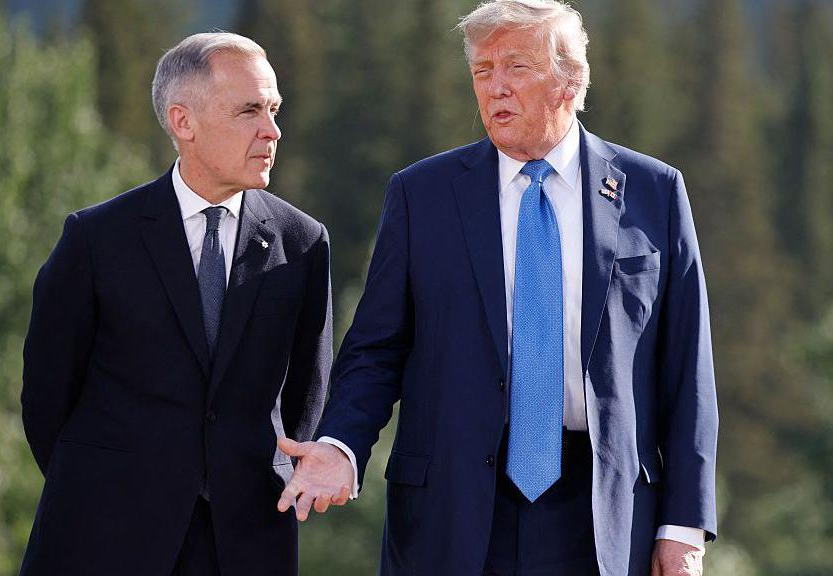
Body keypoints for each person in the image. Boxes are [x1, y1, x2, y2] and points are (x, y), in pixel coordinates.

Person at [277, 1, 718, 575]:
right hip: (452, 510)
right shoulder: (422, 194)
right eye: (483, 71)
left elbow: (687, 369)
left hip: (604, 516)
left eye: (516, 67)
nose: (495, 87)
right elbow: (376, 349)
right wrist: (341, 446)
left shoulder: (654, 191)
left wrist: (683, 526)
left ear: (571, 80)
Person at [19, 32, 331, 576]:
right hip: (102, 538)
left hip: (246, 543)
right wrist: (104, 484)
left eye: (274, 109)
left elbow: (307, 396)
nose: (272, 130)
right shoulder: (95, 240)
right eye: (250, 110)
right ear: (183, 122)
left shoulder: (302, 243)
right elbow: (47, 397)